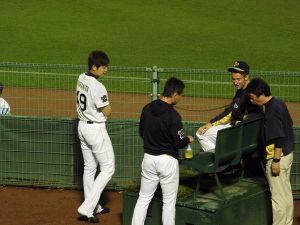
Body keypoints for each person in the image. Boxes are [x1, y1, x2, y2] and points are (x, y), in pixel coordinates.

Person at [131, 77, 194, 225]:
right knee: (168, 203)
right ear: (174, 94)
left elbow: (141, 132)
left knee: (143, 198)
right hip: (167, 162)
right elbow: (179, 143)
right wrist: (188, 139)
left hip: (148, 159)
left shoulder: (146, 108)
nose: (181, 97)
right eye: (180, 94)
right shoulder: (173, 116)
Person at [247, 78, 294, 225]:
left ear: (260, 94)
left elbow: (278, 137)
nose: (251, 100)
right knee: (285, 195)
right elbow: (289, 124)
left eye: (252, 97)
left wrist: (275, 161)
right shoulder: (278, 103)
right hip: (288, 154)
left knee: (278, 198)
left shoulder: (272, 110)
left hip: (278, 157)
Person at [76, 50, 115, 223]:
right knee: (108, 168)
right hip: (95, 130)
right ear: (94, 67)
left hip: (82, 127)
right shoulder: (98, 87)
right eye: (103, 67)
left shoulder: (80, 78)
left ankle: (94, 207)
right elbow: (107, 111)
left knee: (90, 167)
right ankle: (87, 207)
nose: (106, 70)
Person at [196, 61, 261, 152]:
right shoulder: (241, 90)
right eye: (233, 79)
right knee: (201, 133)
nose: (235, 82)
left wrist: (212, 124)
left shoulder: (251, 93)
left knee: (201, 134)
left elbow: (250, 116)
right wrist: (211, 123)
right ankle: (219, 158)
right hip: (234, 127)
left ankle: (219, 160)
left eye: (238, 79)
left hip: (239, 131)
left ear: (246, 77)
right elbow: (230, 110)